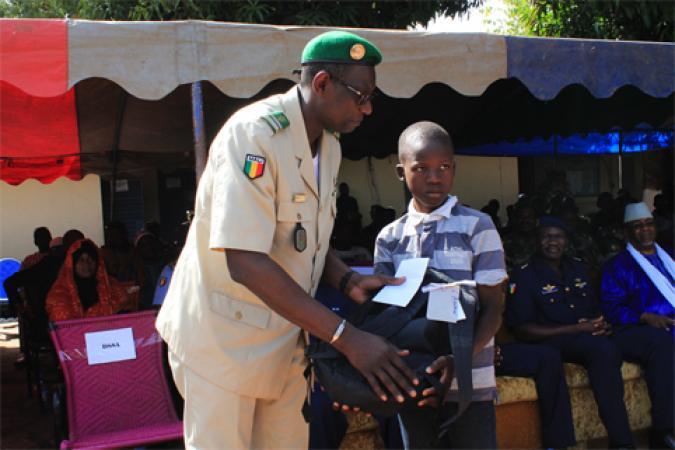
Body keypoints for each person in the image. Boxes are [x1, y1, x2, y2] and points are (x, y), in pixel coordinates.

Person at [155, 31, 421, 449]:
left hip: (283, 342)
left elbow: (303, 234)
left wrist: (346, 279)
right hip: (222, 342)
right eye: (360, 95)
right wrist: (346, 338)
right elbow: (245, 260)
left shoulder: (329, 146)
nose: (367, 109)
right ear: (321, 84)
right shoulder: (254, 137)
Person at [374, 121, 506, 449]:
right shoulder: (390, 238)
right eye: (421, 168)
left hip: (470, 383)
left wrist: (457, 359)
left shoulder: (478, 227)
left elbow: (493, 307)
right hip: (415, 385)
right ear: (400, 172)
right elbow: (387, 317)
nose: (435, 177)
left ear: (454, 169)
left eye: (444, 167)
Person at [506, 216, 634, 448]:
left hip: (583, 340)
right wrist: (577, 328)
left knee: (606, 349)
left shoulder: (578, 268)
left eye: (558, 236)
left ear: (566, 240)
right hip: (548, 343)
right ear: (537, 241)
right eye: (546, 236)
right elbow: (522, 330)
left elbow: (595, 311)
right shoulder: (524, 275)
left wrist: (602, 325)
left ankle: (621, 442)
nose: (552, 242)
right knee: (601, 349)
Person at [601, 202, 674, 448]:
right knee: (663, 343)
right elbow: (612, 309)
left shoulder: (670, 258)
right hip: (634, 330)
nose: (644, 230)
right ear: (627, 232)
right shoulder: (617, 266)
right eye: (637, 226)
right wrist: (644, 317)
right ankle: (665, 429)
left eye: (648, 224)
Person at [45, 239, 132, 321]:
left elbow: (125, 310)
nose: (86, 264)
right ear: (72, 264)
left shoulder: (112, 286)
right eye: (81, 260)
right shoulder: (59, 294)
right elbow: (64, 324)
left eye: (90, 259)